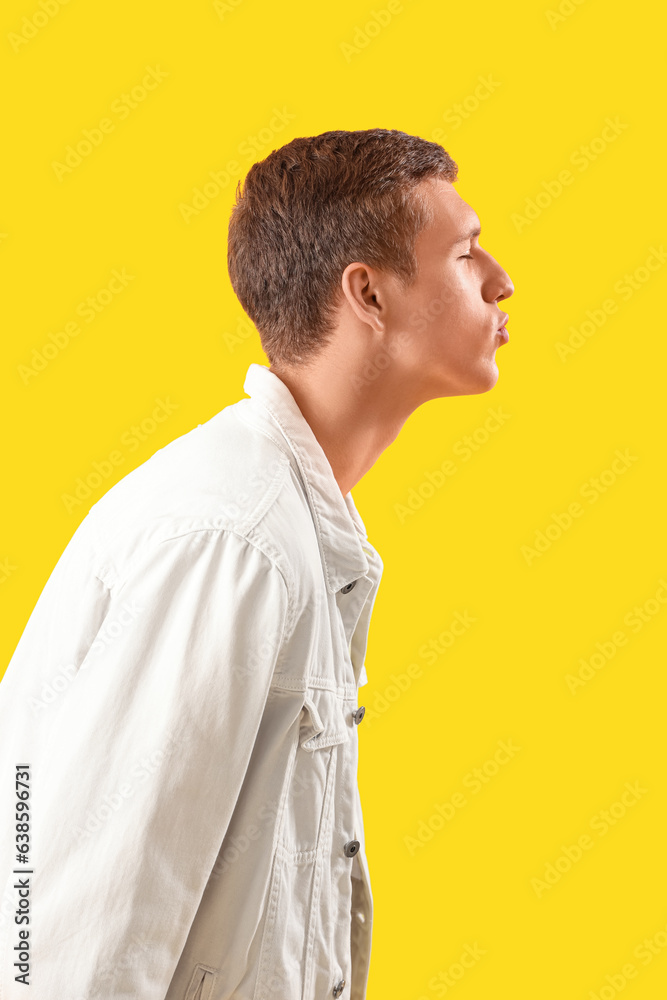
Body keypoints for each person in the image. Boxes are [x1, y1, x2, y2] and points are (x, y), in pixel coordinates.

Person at [0, 128, 513, 1000]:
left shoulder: (292, 528)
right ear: (369, 294)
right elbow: (71, 944)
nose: (500, 279)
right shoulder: (234, 541)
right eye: (464, 253)